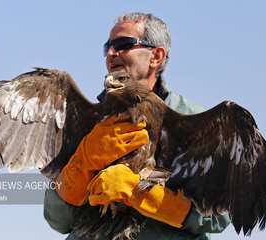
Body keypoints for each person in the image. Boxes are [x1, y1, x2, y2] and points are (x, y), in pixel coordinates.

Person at [44, 12, 230, 240]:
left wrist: (142, 192)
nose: (112, 53)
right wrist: (81, 164)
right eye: (107, 48)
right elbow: (57, 220)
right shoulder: (82, 121)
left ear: (156, 56)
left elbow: (220, 217)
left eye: (123, 44)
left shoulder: (197, 122)